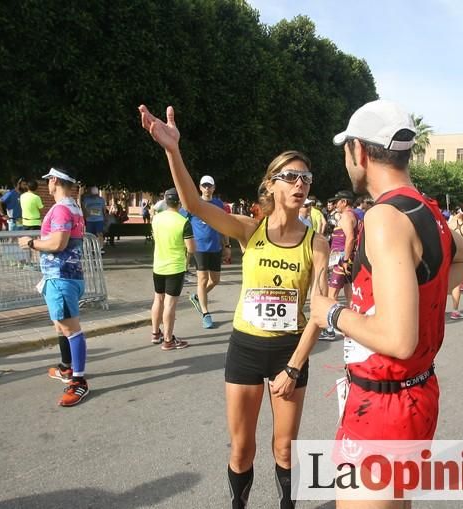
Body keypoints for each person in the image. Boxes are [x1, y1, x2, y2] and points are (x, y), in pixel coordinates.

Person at [139, 104, 329, 509]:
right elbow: (192, 203)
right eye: (291, 177)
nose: (300, 184)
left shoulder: (317, 243)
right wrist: (173, 150)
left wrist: (294, 366)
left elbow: (321, 309)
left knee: (283, 450)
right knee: (242, 450)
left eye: (306, 178)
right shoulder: (248, 228)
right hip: (245, 348)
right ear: (272, 185)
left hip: (289, 352)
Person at [311, 100, 463, 509]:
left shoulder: (385, 217)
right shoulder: (428, 209)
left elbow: (398, 340)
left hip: (383, 405)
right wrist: (418, 302)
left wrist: (330, 313)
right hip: (415, 394)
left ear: (360, 151)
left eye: (346, 150)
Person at [18, 167, 89, 406]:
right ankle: (66, 368)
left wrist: (30, 242)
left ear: (55, 181)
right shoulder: (74, 207)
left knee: (71, 329)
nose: (46, 184)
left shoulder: (60, 209)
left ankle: (78, 382)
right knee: (60, 325)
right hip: (66, 276)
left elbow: (59, 243)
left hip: (61, 277)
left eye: (48, 180)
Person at [150, 188, 195, 348]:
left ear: (166, 201)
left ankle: (156, 333)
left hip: (158, 265)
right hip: (175, 266)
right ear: (180, 202)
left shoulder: (156, 219)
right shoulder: (183, 222)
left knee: (158, 298)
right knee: (170, 303)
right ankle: (168, 340)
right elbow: (191, 248)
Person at [186, 175, 231, 329]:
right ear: (200, 187)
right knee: (203, 279)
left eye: (209, 186)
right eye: (204, 186)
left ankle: (198, 296)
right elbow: (181, 221)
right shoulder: (193, 204)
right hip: (199, 248)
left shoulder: (218, 204)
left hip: (215, 247)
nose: (207, 188)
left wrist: (227, 246)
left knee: (215, 280)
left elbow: (224, 225)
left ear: (213, 188)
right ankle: (205, 313)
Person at [319, 190, 358, 341]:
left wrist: (346, 260)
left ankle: (329, 330)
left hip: (341, 262)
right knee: (350, 296)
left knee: (331, 296)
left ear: (344, 202)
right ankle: (354, 328)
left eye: (337, 201)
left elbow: (351, 238)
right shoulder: (350, 215)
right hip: (343, 260)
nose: (335, 204)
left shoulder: (347, 216)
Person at [82, 186, 107, 253]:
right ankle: (89, 248)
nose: (95, 196)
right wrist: (85, 216)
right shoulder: (86, 200)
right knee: (89, 234)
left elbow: (104, 209)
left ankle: (101, 247)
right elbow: (84, 209)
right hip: (90, 220)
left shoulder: (101, 199)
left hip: (99, 219)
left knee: (100, 233)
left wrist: (105, 217)